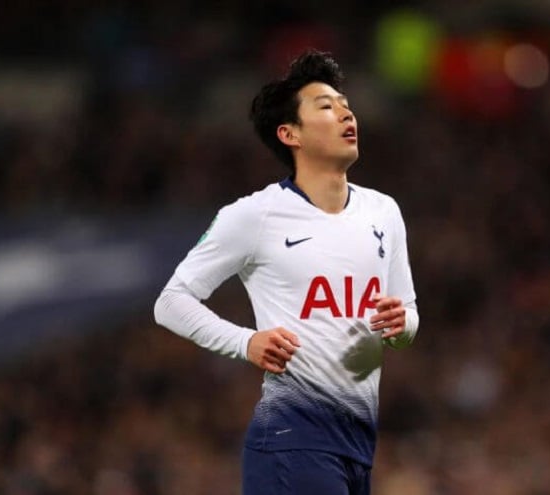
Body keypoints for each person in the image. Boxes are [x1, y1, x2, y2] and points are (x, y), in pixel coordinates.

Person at [153, 50, 419, 495]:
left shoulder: (384, 212)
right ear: (289, 133)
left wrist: (402, 324)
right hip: (291, 442)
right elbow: (171, 301)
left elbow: (407, 315)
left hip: (357, 448)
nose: (345, 112)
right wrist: (245, 341)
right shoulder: (255, 215)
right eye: (326, 105)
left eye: (345, 103)